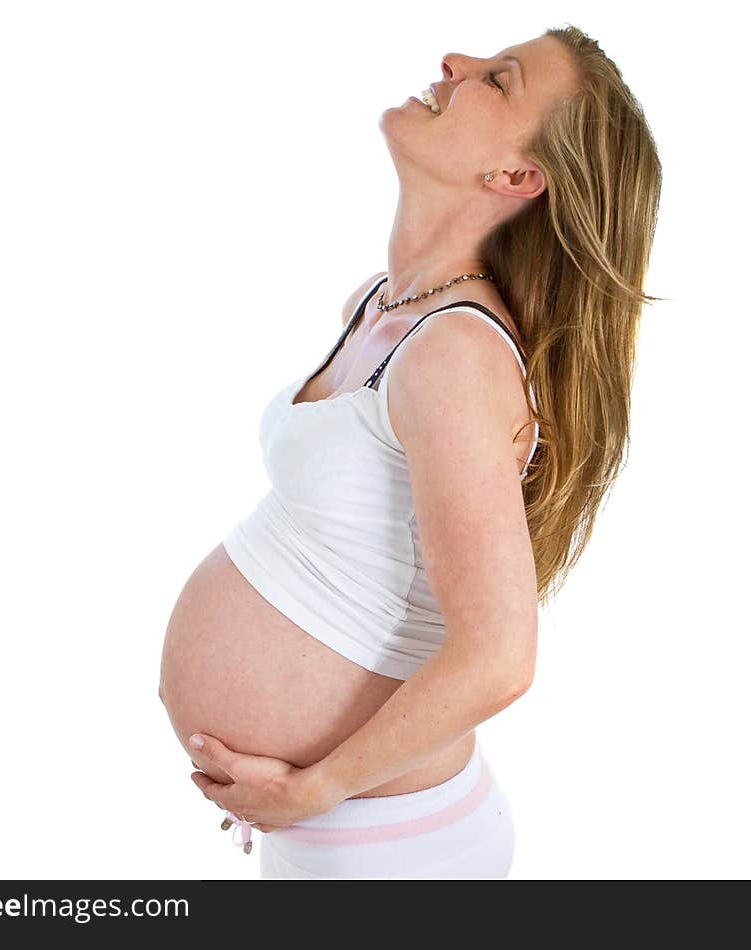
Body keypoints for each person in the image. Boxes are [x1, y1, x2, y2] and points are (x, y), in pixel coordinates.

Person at [167, 24, 663, 879]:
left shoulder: (454, 355)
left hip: (388, 846)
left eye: (497, 81)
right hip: (335, 833)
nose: (454, 64)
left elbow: (499, 657)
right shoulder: (381, 306)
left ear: (515, 178)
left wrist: (315, 786)